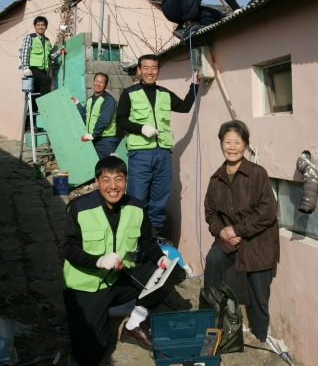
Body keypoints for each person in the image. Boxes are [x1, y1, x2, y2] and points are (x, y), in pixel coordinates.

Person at [63, 156, 178, 366]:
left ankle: (133, 325)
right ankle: (85, 320)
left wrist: (160, 258)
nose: (113, 186)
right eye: (106, 180)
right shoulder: (79, 207)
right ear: (96, 182)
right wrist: (98, 261)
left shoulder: (135, 206)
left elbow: (147, 243)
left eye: (119, 179)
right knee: (89, 355)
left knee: (170, 273)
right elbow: (69, 248)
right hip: (87, 287)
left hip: (120, 279)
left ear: (126, 180)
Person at [204, 120, 279, 343]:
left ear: (245, 145)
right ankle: (212, 324)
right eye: (228, 142)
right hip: (229, 239)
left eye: (237, 142)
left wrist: (237, 229)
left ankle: (260, 338)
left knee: (258, 295)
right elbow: (210, 213)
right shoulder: (216, 179)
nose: (232, 146)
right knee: (214, 260)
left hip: (257, 240)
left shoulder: (257, 174)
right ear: (221, 145)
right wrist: (224, 232)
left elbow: (268, 211)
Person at [116, 54, 200, 238]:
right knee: (137, 198)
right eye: (145, 68)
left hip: (162, 154)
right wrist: (141, 128)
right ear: (139, 70)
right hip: (140, 155)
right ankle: (135, 237)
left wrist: (195, 84)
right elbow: (120, 120)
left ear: (158, 71)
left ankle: (155, 235)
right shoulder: (129, 93)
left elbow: (185, 107)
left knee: (160, 198)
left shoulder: (164, 93)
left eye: (153, 68)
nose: (150, 72)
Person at [72, 73, 119, 159]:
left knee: (109, 168)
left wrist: (93, 135)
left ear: (106, 85)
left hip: (105, 142)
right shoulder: (90, 99)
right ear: (93, 82)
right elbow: (84, 117)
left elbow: (104, 120)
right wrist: (78, 104)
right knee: (95, 169)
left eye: (101, 82)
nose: (98, 84)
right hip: (93, 139)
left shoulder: (108, 100)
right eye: (96, 81)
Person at [21, 16, 66, 97]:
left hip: (43, 70)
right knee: (46, 80)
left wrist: (59, 52)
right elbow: (25, 52)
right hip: (32, 69)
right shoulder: (30, 37)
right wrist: (25, 67)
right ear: (34, 26)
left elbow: (50, 56)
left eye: (43, 25)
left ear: (46, 27)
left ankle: (35, 109)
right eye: (38, 25)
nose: (40, 27)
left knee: (37, 92)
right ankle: (45, 105)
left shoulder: (47, 41)